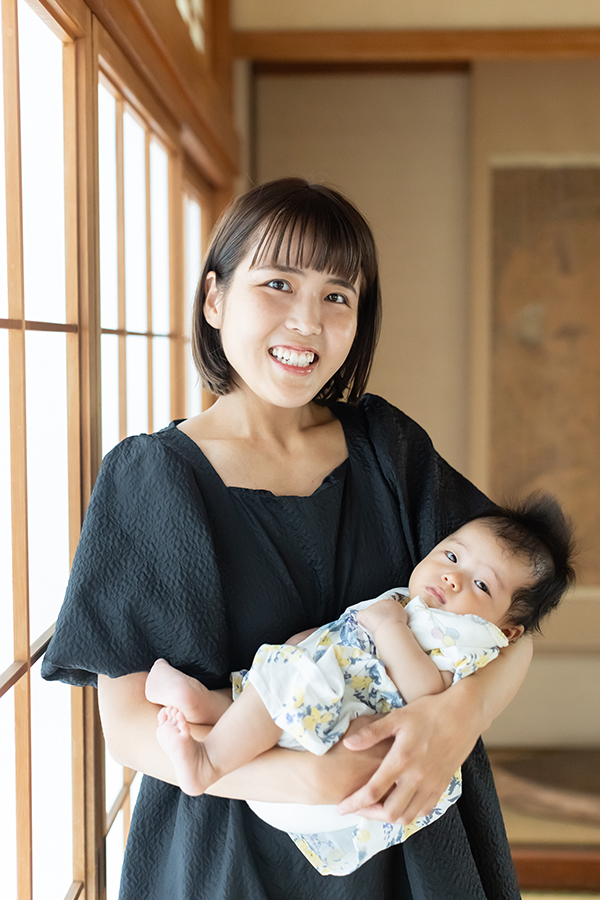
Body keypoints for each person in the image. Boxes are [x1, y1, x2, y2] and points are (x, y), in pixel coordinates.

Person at [42, 178, 537, 900]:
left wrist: (455, 720)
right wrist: (309, 776)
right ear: (215, 299)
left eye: (338, 296)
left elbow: (517, 626)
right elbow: (126, 727)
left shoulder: (387, 446)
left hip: (408, 844)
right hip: (225, 855)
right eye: (278, 284)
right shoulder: (149, 477)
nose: (307, 320)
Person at [145, 496, 575, 876]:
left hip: (343, 757)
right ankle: (203, 705)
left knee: (292, 680)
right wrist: (312, 641)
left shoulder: (463, 640)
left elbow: (427, 694)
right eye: (451, 556)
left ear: (508, 631)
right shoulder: (415, 604)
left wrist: (391, 629)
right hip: (296, 758)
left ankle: (208, 761)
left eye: (481, 585)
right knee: (281, 681)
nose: (452, 578)